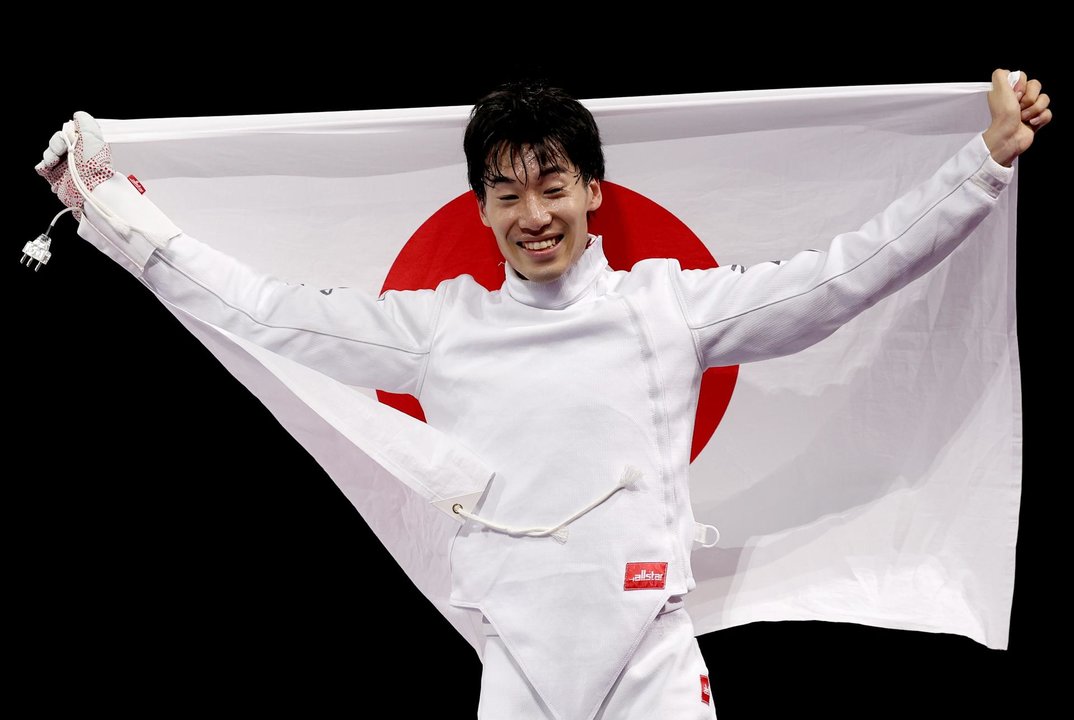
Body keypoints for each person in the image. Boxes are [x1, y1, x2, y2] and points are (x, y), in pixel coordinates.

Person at [34, 68, 1052, 719]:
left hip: (650, 665)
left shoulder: (669, 308)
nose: (534, 213)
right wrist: (113, 213)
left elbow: (847, 274)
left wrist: (984, 160)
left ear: (594, 192)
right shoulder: (439, 330)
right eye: (509, 191)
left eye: (552, 184)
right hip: (514, 666)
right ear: (479, 206)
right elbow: (260, 308)